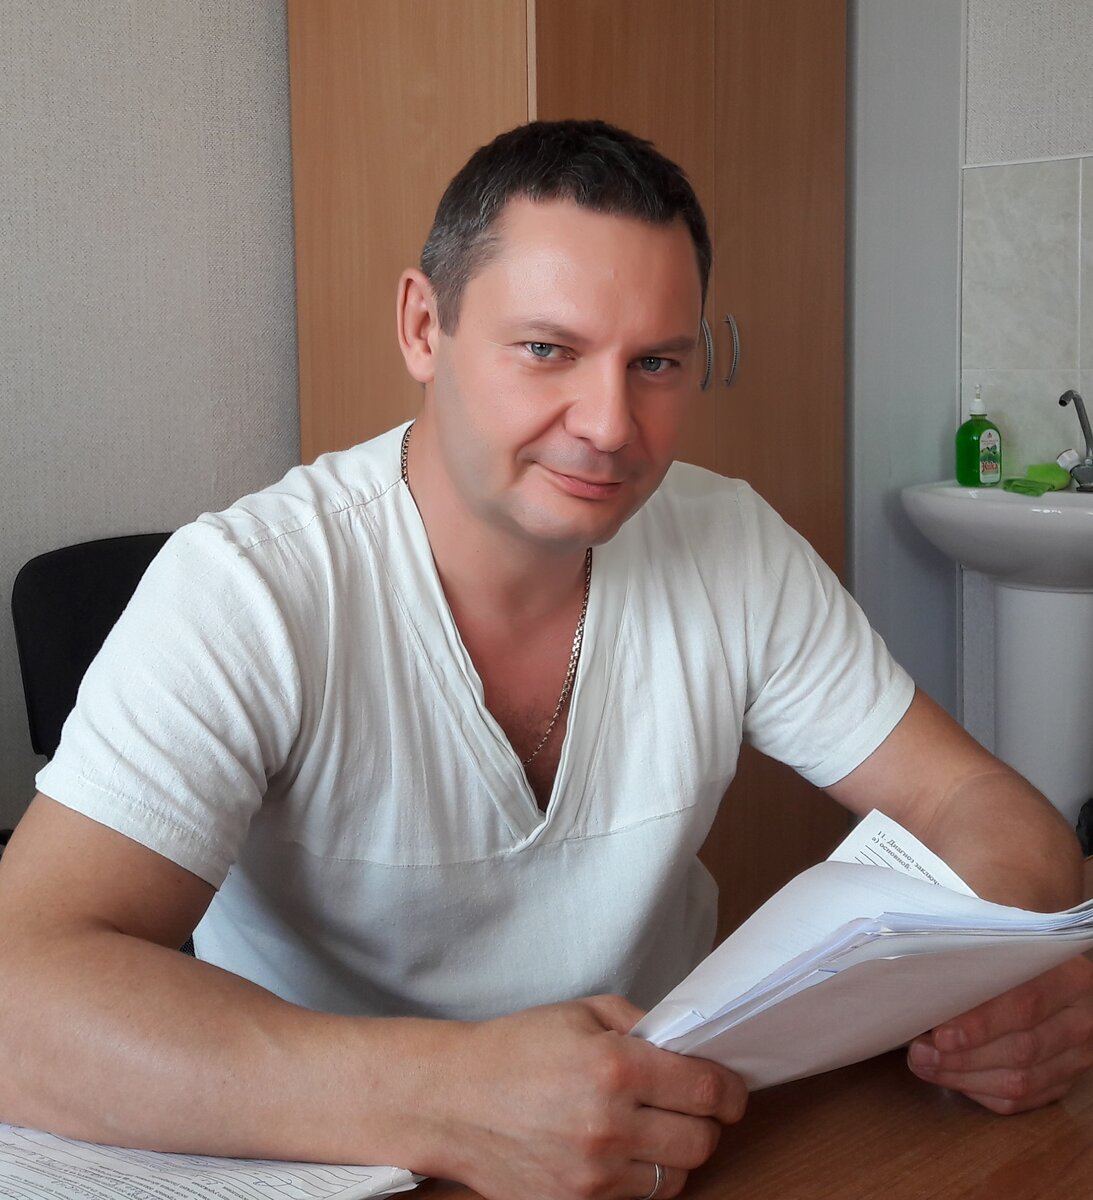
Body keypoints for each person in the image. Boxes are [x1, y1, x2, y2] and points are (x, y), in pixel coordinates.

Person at [0, 119, 1090, 1200]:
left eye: (655, 363)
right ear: (423, 327)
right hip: (344, 1164)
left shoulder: (734, 545)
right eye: (546, 351)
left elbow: (979, 807)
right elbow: (20, 995)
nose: (610, 426)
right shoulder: (249, 587)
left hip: (664, 1153)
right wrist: (447, 1097)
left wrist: (998, 978)